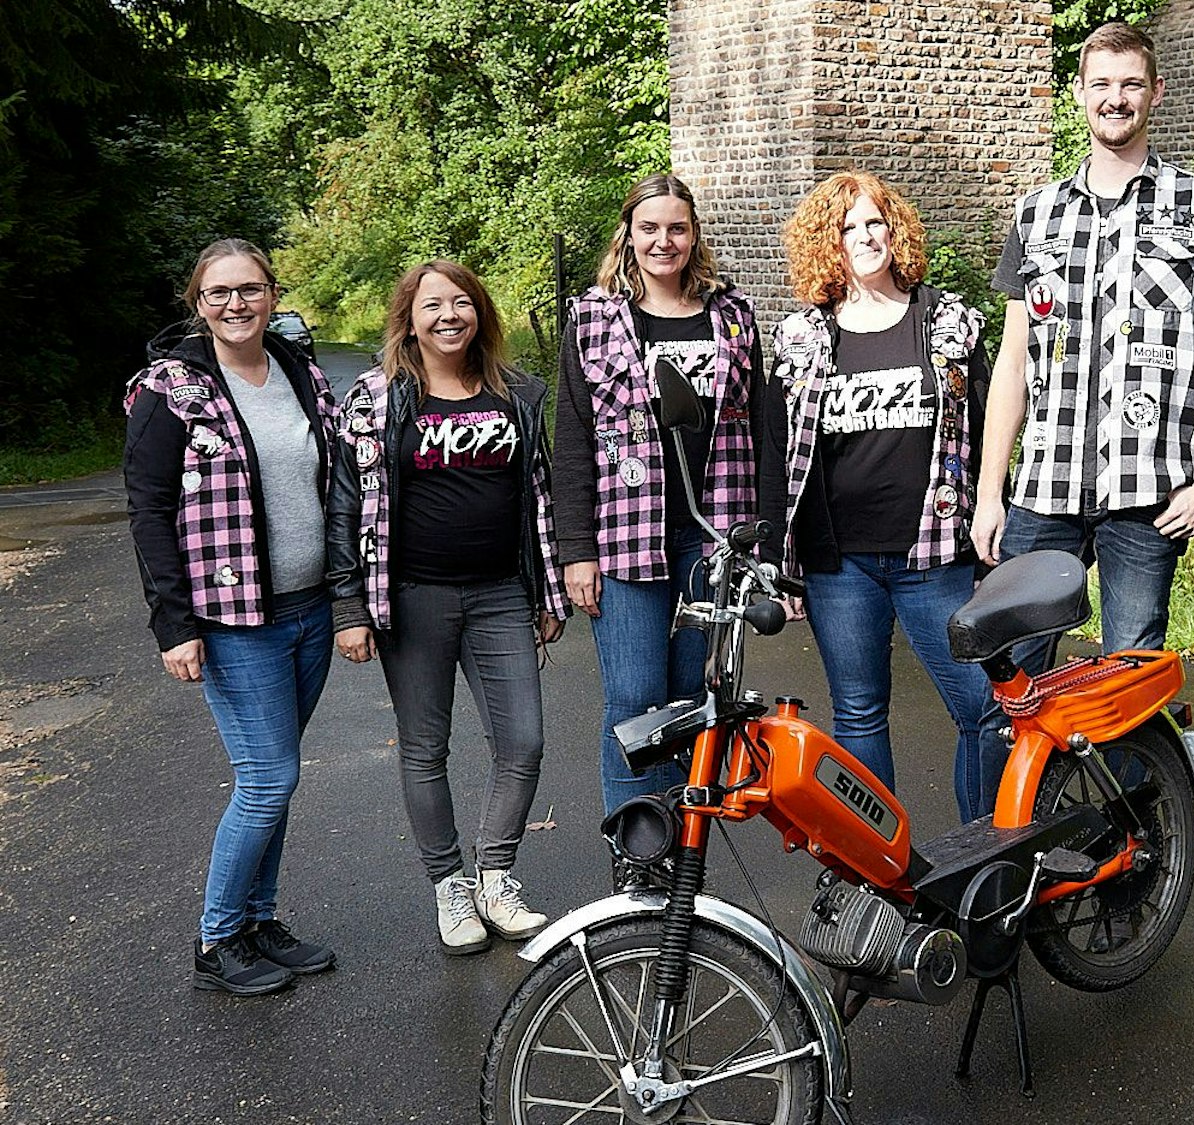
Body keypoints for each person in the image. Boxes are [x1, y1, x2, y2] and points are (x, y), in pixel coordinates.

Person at [972, 21, 1194, 668]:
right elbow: (1013, 361)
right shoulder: (1035, 213)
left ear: (1156, 91)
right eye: (1101, 84)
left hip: (1147, 494)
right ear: (1078, 94)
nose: (1115, 98)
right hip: (1042, 490)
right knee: (1011, 677)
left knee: (1128, 686)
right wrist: (989, 494)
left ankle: (1137, 773)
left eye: (1130, 84)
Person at [327, 260, 567, 954]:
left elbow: (540, 498)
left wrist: (546, 591)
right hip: (413, 598)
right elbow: (345, 503)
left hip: (499, 594)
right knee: (426, 747)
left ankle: (495, 874)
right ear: (409, 317)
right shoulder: (375, 398)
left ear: (480, 313)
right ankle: (449, 887)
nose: (449, 316)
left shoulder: (517, 393)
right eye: (433, 305)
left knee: (522, 740)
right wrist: (348, 608)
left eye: (461, 302)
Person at [124, 238, 342, 995]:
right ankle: (218, 938)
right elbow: (149, 512)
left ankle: (258, 920)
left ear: (273, 294)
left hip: (308, 609)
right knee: (267, 775)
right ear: (198, 304)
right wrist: (172, 624)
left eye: (250, 289)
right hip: (230, 619)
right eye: (219, 293)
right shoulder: (169, 389)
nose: (236, 304)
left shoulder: (297, 370)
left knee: (276, 779)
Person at [761, 170, 1002, 822]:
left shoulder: (947, 323)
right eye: (847, 228)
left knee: (983, 708)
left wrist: (991, 521)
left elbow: (987, 426)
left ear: (894, 229)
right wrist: (783, 560)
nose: (864, 238)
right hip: (841, 566)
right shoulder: (801, 338)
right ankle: (882, 877)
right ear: (827, 243)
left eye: (874, 223)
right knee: (860, 715)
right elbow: (779, 457)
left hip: (935, 556)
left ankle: (984, 857)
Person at [551, 174, 771, 816]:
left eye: (676, 228)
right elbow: (572, 440)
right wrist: (575, 551)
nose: (663, 241)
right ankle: (634, 855)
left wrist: (766, 541)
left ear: (693, 234)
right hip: (625, 540)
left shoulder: (732, 315)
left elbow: (761, 429)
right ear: (629, 234)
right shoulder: (592, 318)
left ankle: (676, 850)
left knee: (687, 702)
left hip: (712, 541)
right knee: (633, 701)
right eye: (650, 228)